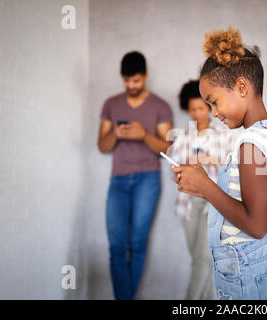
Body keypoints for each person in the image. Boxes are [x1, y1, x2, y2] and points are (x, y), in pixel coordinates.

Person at [172, 27, 267, 300]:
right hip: (248, 269)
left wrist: (205, 188)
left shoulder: (251, 144)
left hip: (246, 273)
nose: (213, 113)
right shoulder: (264, 134)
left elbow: (257, 225)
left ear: (241, 87)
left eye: (214, 102)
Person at [97, 51, 173, 300]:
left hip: (147, 180)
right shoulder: (111, 104)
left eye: (136, 81)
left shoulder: (160, 106)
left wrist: (143, 135)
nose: (131, 86)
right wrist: (116, 134)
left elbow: (168, 149)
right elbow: (102, 146)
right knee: (117, 246)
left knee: (137, 243)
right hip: (118, 180)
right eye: (127, 81)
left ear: (146, 77)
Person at [169, 79, 234, 300]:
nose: (197, 113)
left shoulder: (222, 134)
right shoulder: (183, 136)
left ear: (208, 107)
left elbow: (233, 167)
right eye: (192, 109)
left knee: (203, 258)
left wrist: (211, 159)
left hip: (212, 202)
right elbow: (174, 173)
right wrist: (183, 167)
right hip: (187, 203)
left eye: (201, 108)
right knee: (198, 258)